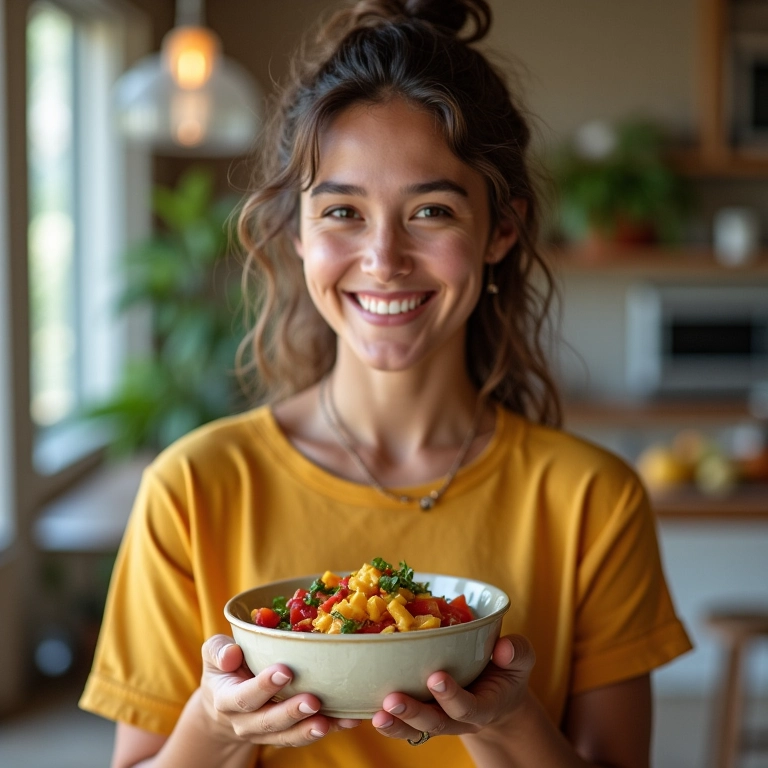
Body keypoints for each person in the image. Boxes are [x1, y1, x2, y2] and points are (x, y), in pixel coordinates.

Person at [79, 1, 693, 766]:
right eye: (342, 211)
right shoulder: (193, 489)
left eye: (430, 210)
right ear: (298, 235)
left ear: (500, 229)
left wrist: (505, 722)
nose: (383, 258)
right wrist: (216, 724)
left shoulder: (593, 501)